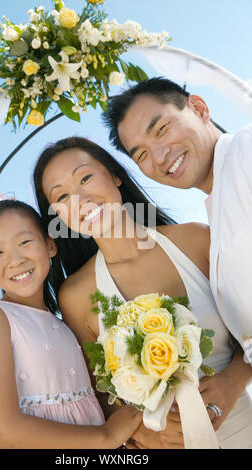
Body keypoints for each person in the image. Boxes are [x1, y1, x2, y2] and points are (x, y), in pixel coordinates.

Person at [33, 136, 252, 449]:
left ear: (115, 176)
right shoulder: (75, 296)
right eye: (62, 196)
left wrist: (232, 382)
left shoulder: (196, 240)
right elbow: (99, 394)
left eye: (85, 177)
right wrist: (143, 433)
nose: (79, 199)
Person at [0, 197, 142, 449]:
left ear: (50, 246)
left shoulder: (65, 325)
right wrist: (107, 436)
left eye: (24, 242)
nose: (15, 259)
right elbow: (6, 433)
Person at [102, 77, 252, 363]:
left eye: (161, 129)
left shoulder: (246, 150)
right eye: (142, 154)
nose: (159, 156)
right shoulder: (216, 209)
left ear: (198, 108)